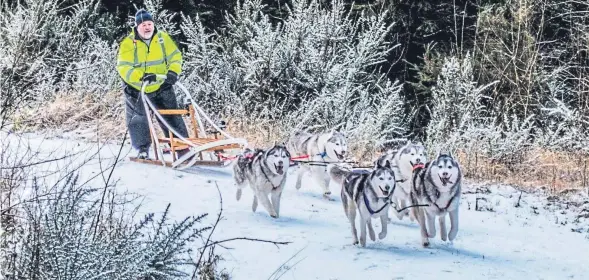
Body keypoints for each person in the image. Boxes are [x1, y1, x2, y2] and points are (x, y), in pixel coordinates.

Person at [116, 9, 191, 160]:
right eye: (143, 24)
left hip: (161, 84)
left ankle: (181, 148)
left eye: (149, 24)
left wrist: (173, 72)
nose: (147, 27)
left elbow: (175, 57)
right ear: (137, 27)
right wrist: (140, 77)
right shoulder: (128, 43)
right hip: (137, 87)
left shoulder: (162, 39)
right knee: (139, 119)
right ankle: (143, 149)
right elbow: (123, 67)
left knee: (172, 115)